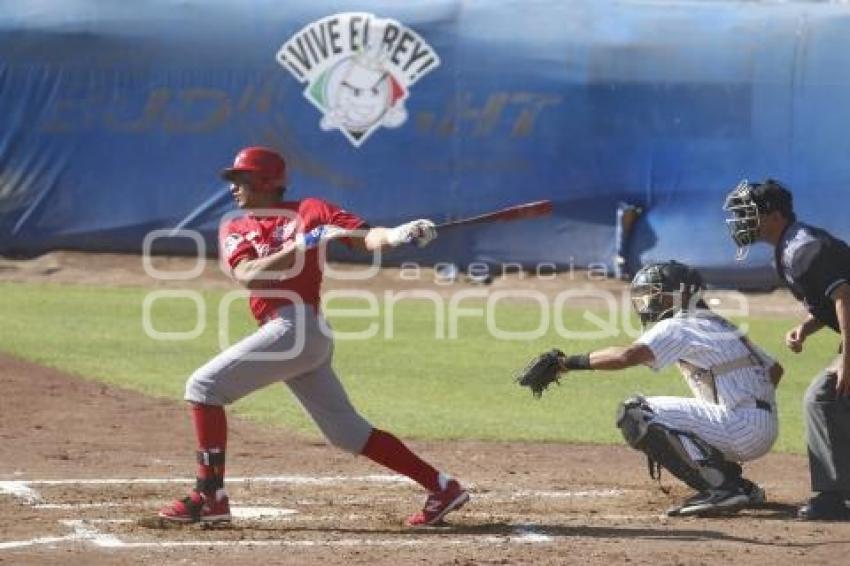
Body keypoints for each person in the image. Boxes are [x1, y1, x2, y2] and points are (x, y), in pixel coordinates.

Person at [157, 146, 469, 527]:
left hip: (300, 328)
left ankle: (209, 497)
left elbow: (365, 238)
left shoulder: (312, 210)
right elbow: (249, 275)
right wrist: (301, 245)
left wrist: (400, 234)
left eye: (241, 179)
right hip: (288, 333)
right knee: (347, 432)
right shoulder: (235, 226)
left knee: (203, 387)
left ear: (266, 181)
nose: (234, 187)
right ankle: (442, 486)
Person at [519, 260, 782, 517]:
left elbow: (625, 356)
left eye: (656, 294)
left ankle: (720, 488)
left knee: (636, 412)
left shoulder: (682, 324)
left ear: (678, 296)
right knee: (678, 421)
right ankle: (737, 486)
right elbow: (775, 370)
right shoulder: (721, 325)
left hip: (739, 426)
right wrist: (745, 401)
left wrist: (566, 364)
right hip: (759, 424)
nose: (648, 302)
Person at [724, 178, 850, 520]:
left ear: (775, 215)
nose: (741, 221)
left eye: (749, 213)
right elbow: (832, 298)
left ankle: (833, 497)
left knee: (822, 396)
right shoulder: (791, 246)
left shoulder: (802, 247)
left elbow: (844, 298)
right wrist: (807, 328)